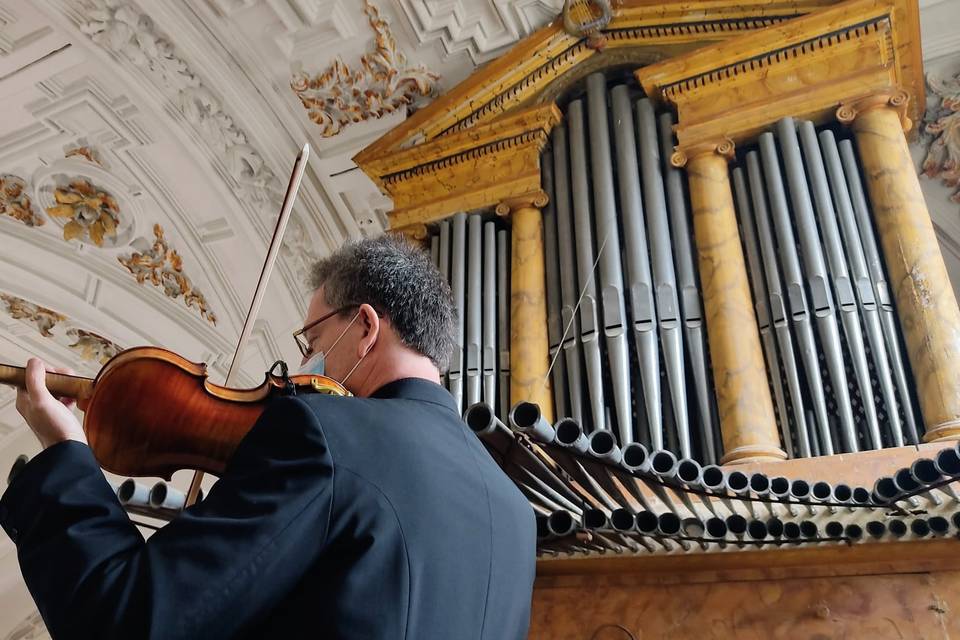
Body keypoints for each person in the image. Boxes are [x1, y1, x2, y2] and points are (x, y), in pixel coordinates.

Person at [0, 234, 536, 639]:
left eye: (314, 339)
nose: (304, 364)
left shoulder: (325, 433)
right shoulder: (515, 514)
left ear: (366, 328)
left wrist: (66, 454)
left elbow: (133, 620)